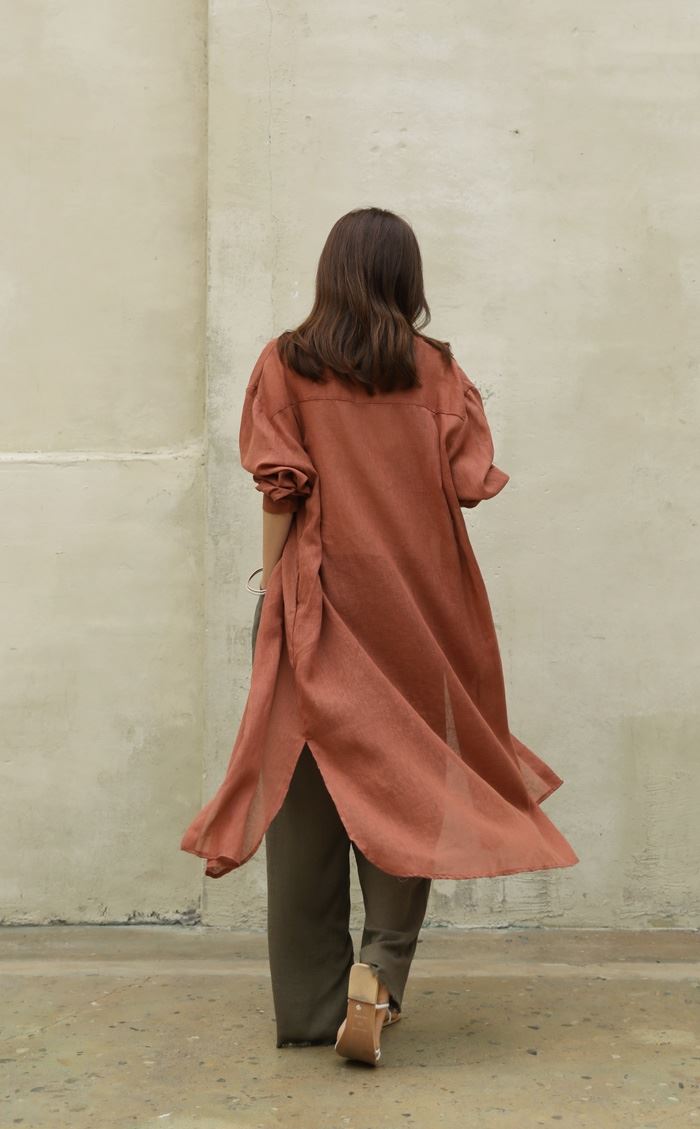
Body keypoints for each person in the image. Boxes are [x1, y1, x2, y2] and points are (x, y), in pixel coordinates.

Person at [181, 206, 580, 1066]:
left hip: (320, 597)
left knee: (304, 800)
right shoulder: (437, 370)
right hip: (422, 608)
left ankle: (311, 1007)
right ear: (408, 278)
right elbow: (469, 479)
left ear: (330, 272)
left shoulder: (285, 362)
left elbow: (280, 487)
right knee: (412, 784)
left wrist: (273, 585)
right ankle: (381, 973)